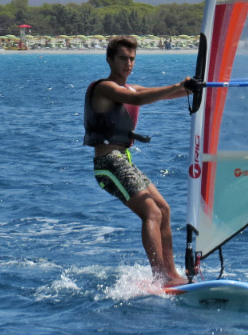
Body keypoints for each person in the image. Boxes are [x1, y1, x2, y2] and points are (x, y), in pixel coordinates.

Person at [84, 35, 196, 285]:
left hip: (123, 160)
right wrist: (178, 85)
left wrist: (190, 87)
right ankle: (160, 278)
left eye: (132, 59)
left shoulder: (130, 87)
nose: (128, 64)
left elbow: (163, 94)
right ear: (109, 60)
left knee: (164, 210)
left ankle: (173, 275)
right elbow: (138, 100)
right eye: (123, 58)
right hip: (108, 163)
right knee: (151, 213)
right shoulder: (105, 88)